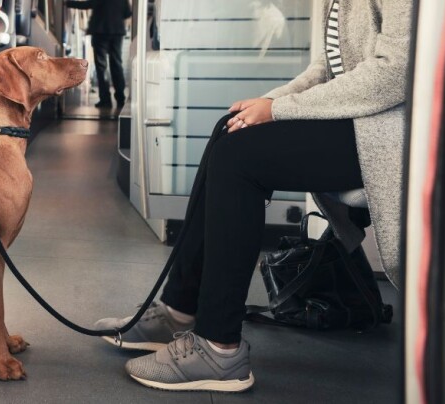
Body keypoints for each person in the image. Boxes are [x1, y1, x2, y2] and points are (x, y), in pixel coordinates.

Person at [93, 0, 410, 392]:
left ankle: (219, 348)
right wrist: (266, 104)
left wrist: (279, 109)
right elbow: (325, 72)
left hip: (390, 133)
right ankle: (180, 309)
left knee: (239, 159)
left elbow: (396, 72)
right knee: (230, 132)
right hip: (358, 121)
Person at [65, 0, 132, 109]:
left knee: (101, 67)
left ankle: (105, 100)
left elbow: (88, 4)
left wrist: (68, 3)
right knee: (117, 64)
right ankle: (120, 98)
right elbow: (127, 13)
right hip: (117, 31)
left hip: (100, 31)